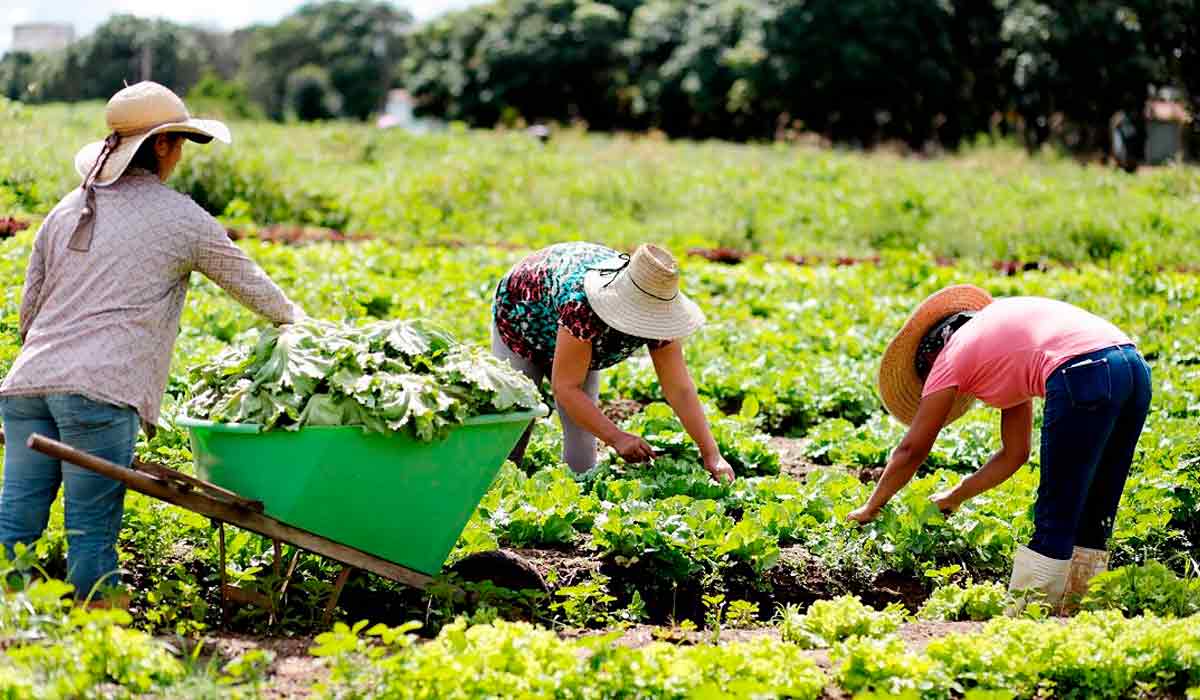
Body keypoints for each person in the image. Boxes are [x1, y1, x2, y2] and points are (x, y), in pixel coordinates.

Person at [0, 82, 304, 605]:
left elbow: (30, 308)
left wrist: (48, 363)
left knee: (16, 518)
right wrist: (297, 322)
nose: (181, 156)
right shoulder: (181, 217)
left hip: (27, 385)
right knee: (91, 530)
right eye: (180, 144)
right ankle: (97, 629)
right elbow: (251, 285)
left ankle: (15, 625)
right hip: (100, 389)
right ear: (161, 146)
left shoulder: (67, 208)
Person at [847, 285, 1152, 612]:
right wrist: (956, 496)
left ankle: (1031, 617)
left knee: (1056, 514)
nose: (931, 385)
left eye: (926, 377)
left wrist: (871, 507)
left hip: (1084, 372)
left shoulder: (950, 355)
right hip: (1133, 368)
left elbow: (912, 450)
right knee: (1096, 510)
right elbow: (1015, 453)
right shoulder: (997, 339)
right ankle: (1081, 609)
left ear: (932, 352)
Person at [491, 242, 735, 482]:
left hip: (570, 325)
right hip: (522, 314)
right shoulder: (583, 305)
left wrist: (711, 454)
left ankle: (577, 492)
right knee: (515, 420)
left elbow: (679, 389)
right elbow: (565, 388)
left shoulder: (659, 310)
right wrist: (617, 437)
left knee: (583, 437)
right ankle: (496, 489)